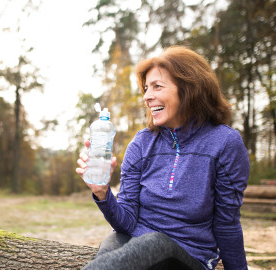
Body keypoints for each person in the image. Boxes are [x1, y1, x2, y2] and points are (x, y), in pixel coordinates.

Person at [76, 46, 249, 270]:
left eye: (158, 86)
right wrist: (102, 193)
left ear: (189, 89)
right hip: (137, 244)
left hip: (189, 256)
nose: (147, 96)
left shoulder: (225, 143)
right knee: (113, 243)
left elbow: (227, 224)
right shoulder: (141, 144)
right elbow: (126, 221)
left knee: (155, 243)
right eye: (146, 88)